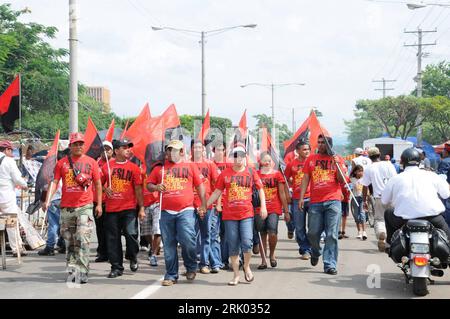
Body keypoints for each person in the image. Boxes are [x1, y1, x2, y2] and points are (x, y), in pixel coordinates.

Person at [43, 133, 102, 284]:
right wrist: (47, 200)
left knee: (82, 239)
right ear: (70, 146)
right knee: (70, 241)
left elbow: (97, 184)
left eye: (81, 144)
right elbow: (55, 182)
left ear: (84, 145)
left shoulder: (91, 162)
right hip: (66, 208)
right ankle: (72, 270)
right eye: (75, 144)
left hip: (85, 206)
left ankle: (82, 271)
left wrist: (99, 204)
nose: (78, 146)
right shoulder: (61, 163)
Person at [147, 140, 207, 286]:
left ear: (181, 152)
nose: (171, 152)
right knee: (168, 245)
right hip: (166, 212)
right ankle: (171, 275)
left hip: (186, 210)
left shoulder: (190, 166)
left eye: (175, 150)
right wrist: (155, 187)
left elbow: (200, 187)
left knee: (188, 240)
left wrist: (203, 205)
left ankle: (191, 266)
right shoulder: (159, 169)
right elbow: (148, 185)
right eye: (169, 150)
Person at [207, 144, 267, 286]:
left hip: (246, 213)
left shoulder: (251, 172)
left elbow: (260, 189)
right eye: (235, 156)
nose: (238, 158)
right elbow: (217, 192)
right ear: (232, 158)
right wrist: (205, 204)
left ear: (244, 157)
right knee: (233, 245)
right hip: (229, 216)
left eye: (241, 155)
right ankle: (236, 275)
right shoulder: (225, 174)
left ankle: (246, 266)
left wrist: (263, 206)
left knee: (247, 242)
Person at [299, 134, 347, 275]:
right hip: (315, 202)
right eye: (318, 142)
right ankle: (315, 251)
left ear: (329, 145)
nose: (320, 145)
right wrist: (302, 197)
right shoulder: (311, 159)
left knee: (331, 234)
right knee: (313, 233)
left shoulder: (337, 159)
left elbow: (341, 179)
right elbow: (306, 178)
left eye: (323, 143)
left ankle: (329, 264)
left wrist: (337, 163)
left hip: (333, 200)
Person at [382, 148, 450, 245]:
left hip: (403, 220)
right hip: (433, 218)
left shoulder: (395, 179)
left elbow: (384, 201)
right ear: (420, 161)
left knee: (388, 213)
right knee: (447, 240)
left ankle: (390, 243)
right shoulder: (432, 175)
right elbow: (446, 194)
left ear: (402, 162)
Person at [103, 139, 145, 278]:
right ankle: (116, 267)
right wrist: (104, 188)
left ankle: (132, 255)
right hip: (111, 209)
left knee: (131, 234)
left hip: (129, 208)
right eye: (124, 147)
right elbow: (97, 184)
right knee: (112, 239)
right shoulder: (107, 167)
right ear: (116, 151)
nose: (128, 150)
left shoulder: (134, 168)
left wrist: (141, 208)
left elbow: (138, 189)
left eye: (128, 147)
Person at [191, 139, 222, 274]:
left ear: (204, 150)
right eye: (195, 147)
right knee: (189, 236)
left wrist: (218, 204)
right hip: (189, 206)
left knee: (206, 235)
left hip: (206, 206)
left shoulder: (210, 165)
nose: (198, 149)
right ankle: (192, 263)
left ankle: (204, 264)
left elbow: (218, 186)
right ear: (191, 149)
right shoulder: (187, 164)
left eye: (200, 147)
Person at [255, 152, 289, 269]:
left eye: (270, 160)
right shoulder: (256, 175)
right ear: (260, 162)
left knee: (272, 232)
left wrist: (286, 210)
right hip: (259, 209)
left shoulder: (277, 175)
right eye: (265, 160)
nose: (268, 163)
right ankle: (263, 260)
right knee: (262, 234)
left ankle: (272, 254)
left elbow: (282, 193)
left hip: (274, 207)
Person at [361, 147, 397, 252]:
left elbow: (365, 186)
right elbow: (396, 180)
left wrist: (364, 201)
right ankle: (392, 241)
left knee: (380, 219)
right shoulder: (389, 165)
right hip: (392, 197)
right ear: (379, 154)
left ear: (369, 157)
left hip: (379, 197)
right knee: (394, 219)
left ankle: (382, 233)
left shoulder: (369, 168)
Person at [284, 141, 312, 259]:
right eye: (304, 149)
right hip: (296, 198)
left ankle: (311, 248)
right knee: (299, 227)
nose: (307, 151)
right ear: (298, 151)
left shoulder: (312, 162)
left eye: (308, 149)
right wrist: (291, 186)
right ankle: (305, 249)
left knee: (313, 226)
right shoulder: (292, 164)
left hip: (312, 198)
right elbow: (285, 178)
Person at [0, 140, 28, 256]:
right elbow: (17, 179)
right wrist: (25, 185)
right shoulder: (8, 161)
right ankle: (16, 249)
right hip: (6, 197)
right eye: (11, 150)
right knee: (11, 223)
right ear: (7, 150)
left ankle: (18, 246)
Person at [38, 151, 66, 256]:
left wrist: (46, 201)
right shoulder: (67, 170)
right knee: (63, 224)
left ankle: (50, 246)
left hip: (54, 200)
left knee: (53, 225)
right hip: (63, 200)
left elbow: (50, 187)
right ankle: (63, 244)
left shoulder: (55, 171)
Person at [94, 140, 114, 263]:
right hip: (97, 200)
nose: (105, 151)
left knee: (110, 229)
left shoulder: (114, 163)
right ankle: (102, 252)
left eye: (108, 149)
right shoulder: (95, 163)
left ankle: (112, 252)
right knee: (100, 229)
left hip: (111, 201)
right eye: (103, 149)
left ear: (113, 151)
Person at [212, 141, 231, 270]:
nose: (220, 151)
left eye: (222, 149)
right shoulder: (209, 164)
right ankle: (215, 261)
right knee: (213, 233)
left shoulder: (230, 165)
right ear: (213, 151)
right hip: (213, 204)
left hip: (228, 204)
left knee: (225, 234)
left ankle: (224, 260)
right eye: (218, 149)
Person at [349, 165, 367, 240]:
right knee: (356, 215)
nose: (360, 173)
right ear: (355, 172)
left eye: (361, 171)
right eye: (359, 171)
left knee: (362, 214)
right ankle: (359, 232)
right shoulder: (352, 179)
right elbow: (347, 184)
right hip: (355, 198)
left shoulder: (365, 179)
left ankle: (364, 232)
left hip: (362, 198)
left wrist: (366, 200)